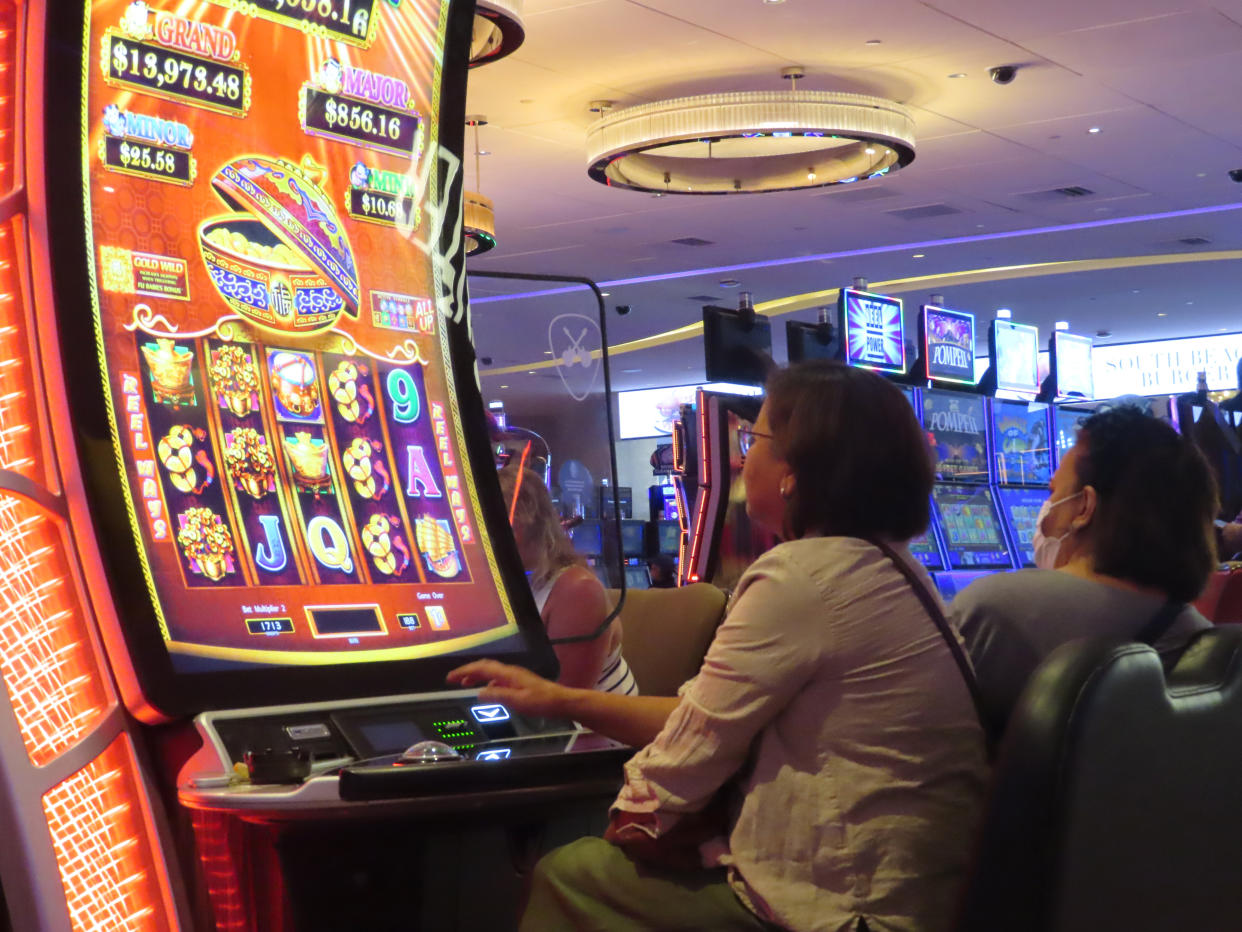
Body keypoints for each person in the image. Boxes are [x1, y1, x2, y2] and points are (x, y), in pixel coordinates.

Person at [453, 361, 989, 932]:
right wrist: (559, 701)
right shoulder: (895, 566)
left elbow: (687, 752)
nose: (740, 459)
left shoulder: (801, 575)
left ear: (794, 471)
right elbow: (700, 716)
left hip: (847, 909)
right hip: (926, 892)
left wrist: (635, 817)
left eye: (752, 439)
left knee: (571, 869)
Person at [951, 406, 1218, 739]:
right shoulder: (1205, 638)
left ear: (1084, 509)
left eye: (1054, 494)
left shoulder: (994, 610)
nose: (1045, 513)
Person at [496, 465, 637, 695]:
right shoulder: (516, 582)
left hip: (594, 727)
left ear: (516, 527)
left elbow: (561, 703)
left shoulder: (577, 591)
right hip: (539, 721)